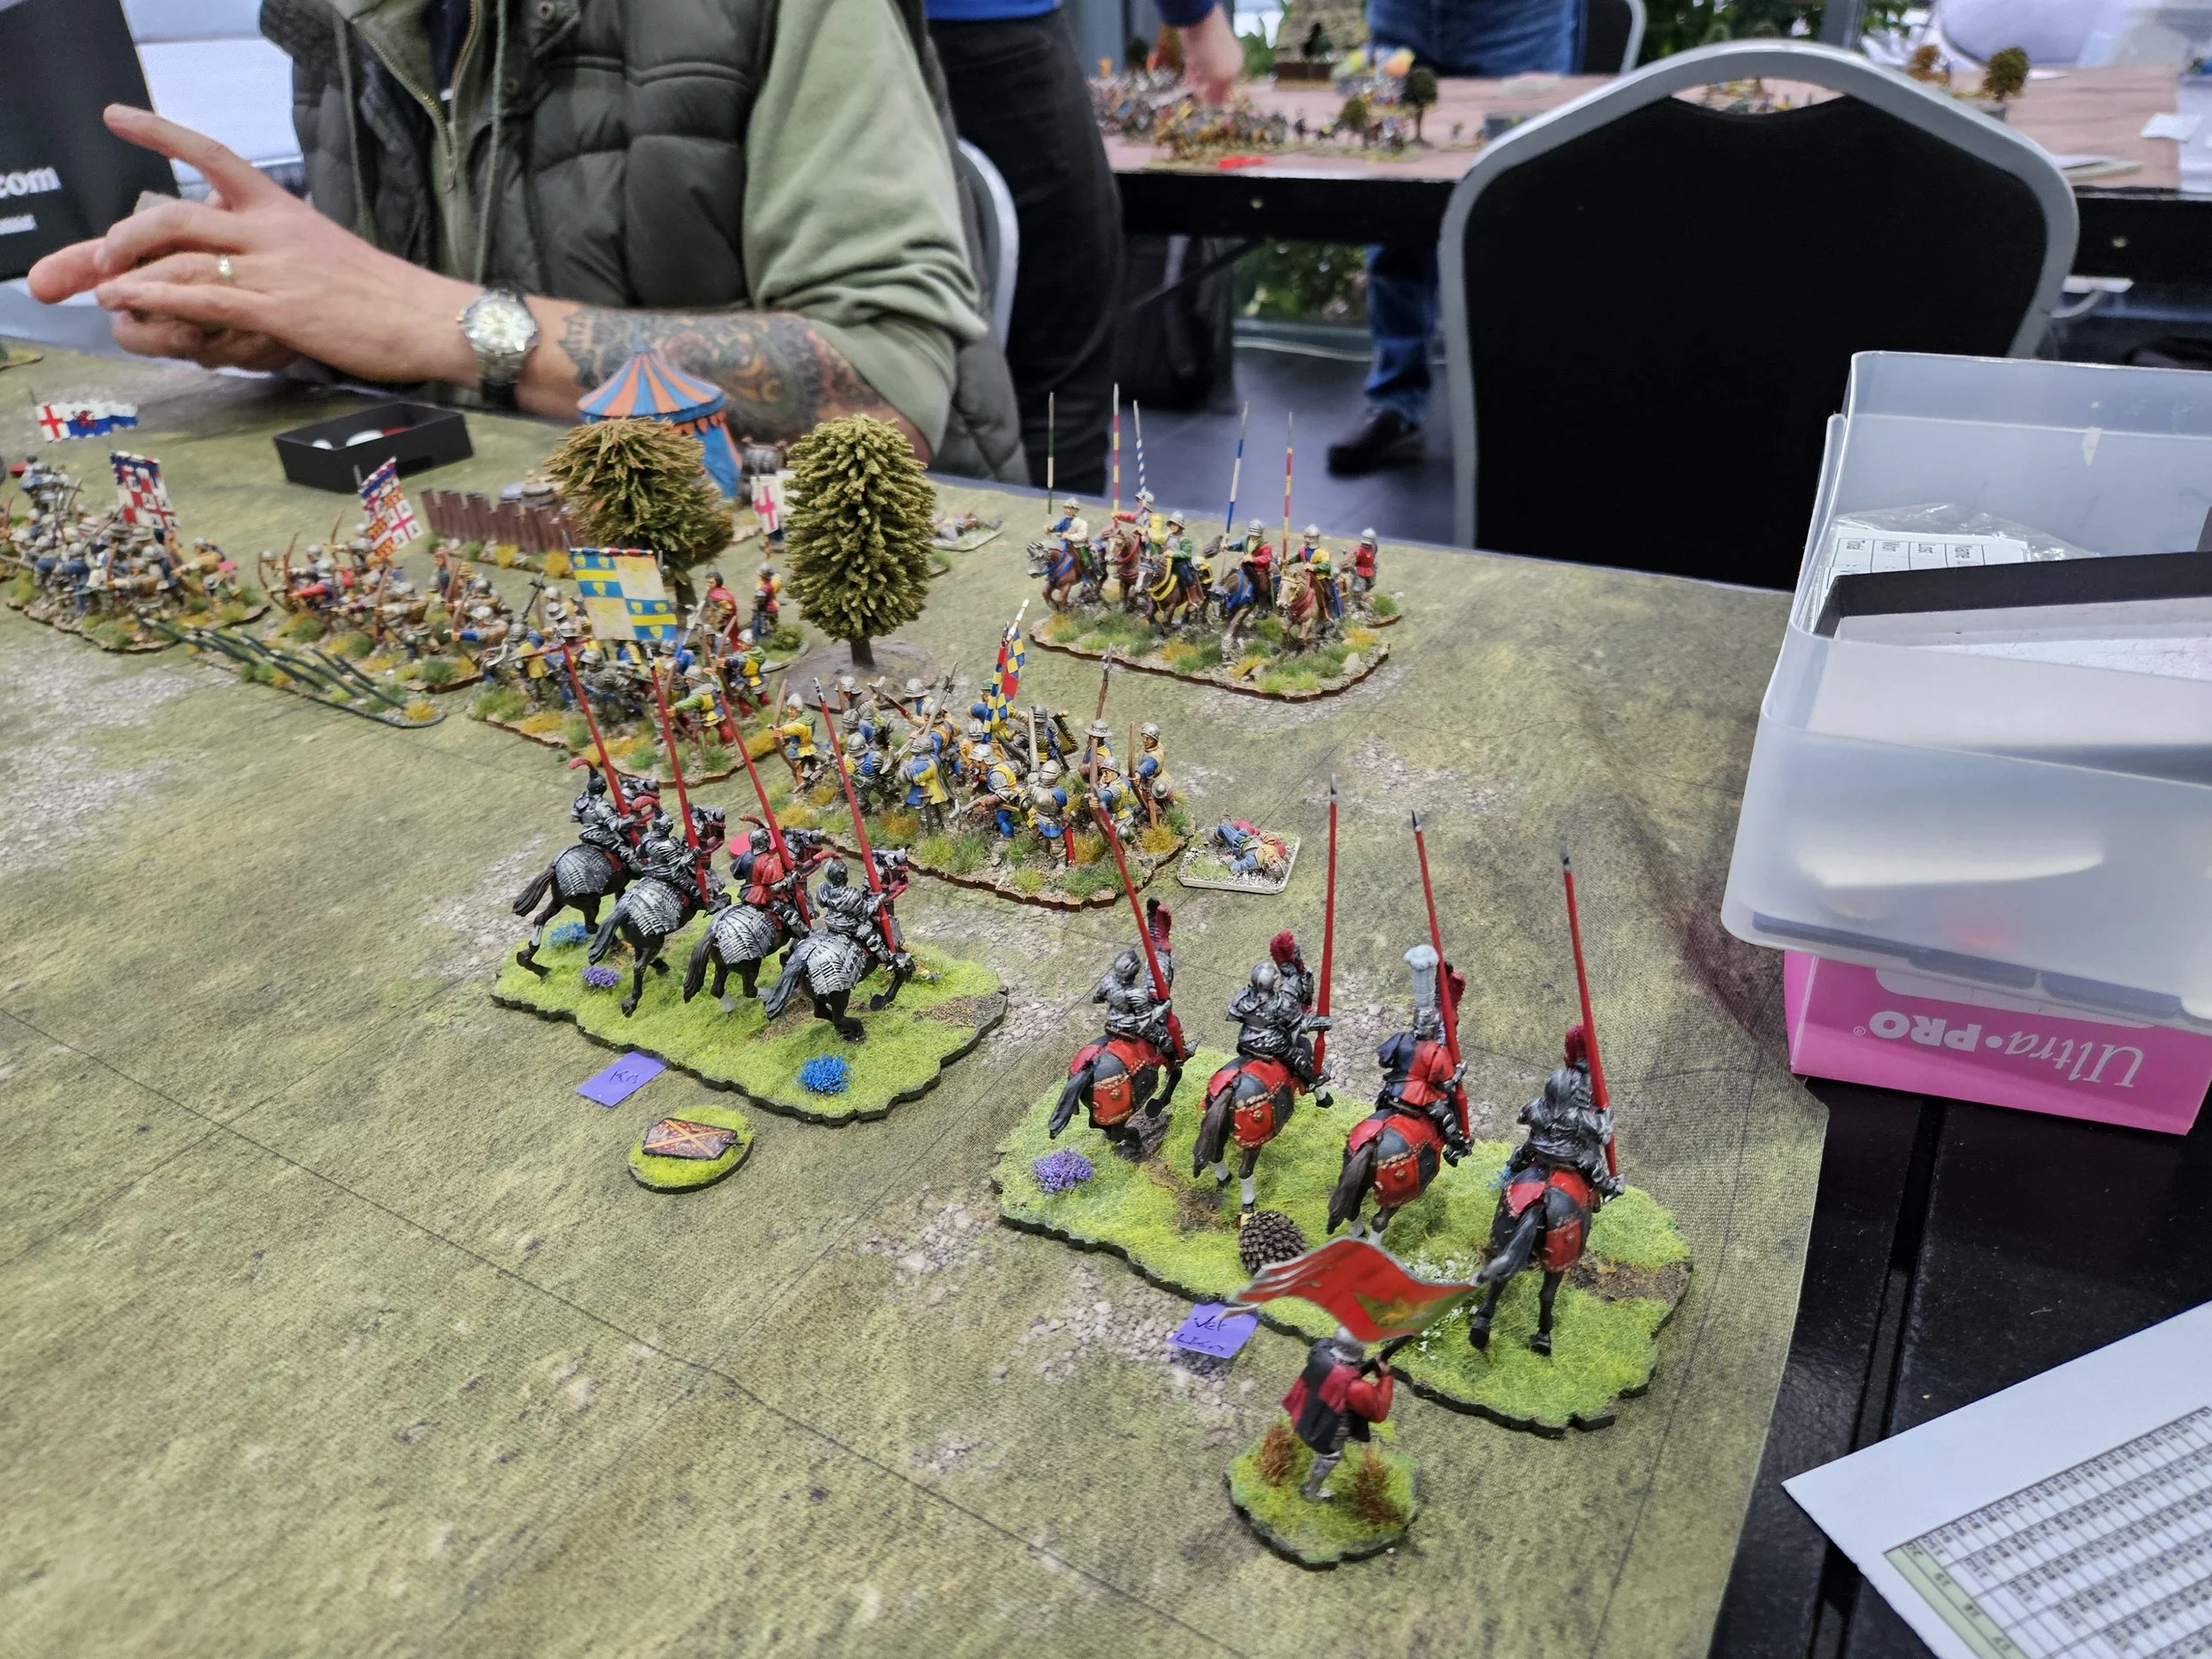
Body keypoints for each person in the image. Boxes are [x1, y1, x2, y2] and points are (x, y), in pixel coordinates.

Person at [27, 0, 1023, 479]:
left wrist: (444, 323)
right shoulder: (341, 20)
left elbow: (881, 389)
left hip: (825, 592)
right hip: (502, 548)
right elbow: (397, 320)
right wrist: (284, 323)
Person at [1325, 0, 1580, 475]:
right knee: (1393, 200)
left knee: (1518, 205)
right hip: (1403, 12)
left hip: (1519, 16)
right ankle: (1396, 402)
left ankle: (1522, 417)